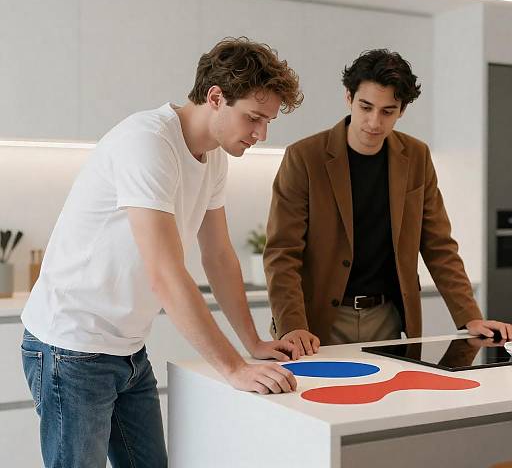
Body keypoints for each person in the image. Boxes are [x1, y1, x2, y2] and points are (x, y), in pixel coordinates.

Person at [20, 37, 304, 468]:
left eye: (267, 122)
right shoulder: (148, 142)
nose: (261, 134)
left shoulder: (214, 158)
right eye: (254, 118)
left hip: (127, 349)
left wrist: (253, 343)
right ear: (215, 97)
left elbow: (219, 255)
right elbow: (165, 273)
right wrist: (234, 368)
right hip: (70, 348)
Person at [264, 48, 512, 356]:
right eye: (365, 107)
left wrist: (470, 317)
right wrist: (291, 324)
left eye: (387, 111)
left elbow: (438, 245)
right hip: (317, 322)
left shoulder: (417, 157)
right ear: (348, 99)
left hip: (389, 319)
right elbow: (282, 251)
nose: (374, 122)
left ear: (402, 110)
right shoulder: (305, 157)